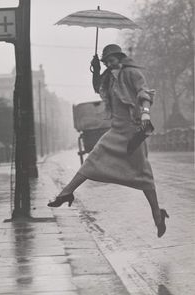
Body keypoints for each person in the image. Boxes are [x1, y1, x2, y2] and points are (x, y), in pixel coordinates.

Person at [48, 44, 169, 238]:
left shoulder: (131, 73)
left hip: (133, 130)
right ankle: (66, 193)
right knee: (92, 160)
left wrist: (145, 115)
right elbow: (98, 88)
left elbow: (144, 93)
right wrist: (95, 70)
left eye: (113, 59)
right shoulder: (107, 77)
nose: (110, 63)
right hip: (116, 129)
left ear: (120, 58)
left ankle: (157, 214)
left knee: (143, 175)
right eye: (106, 61)